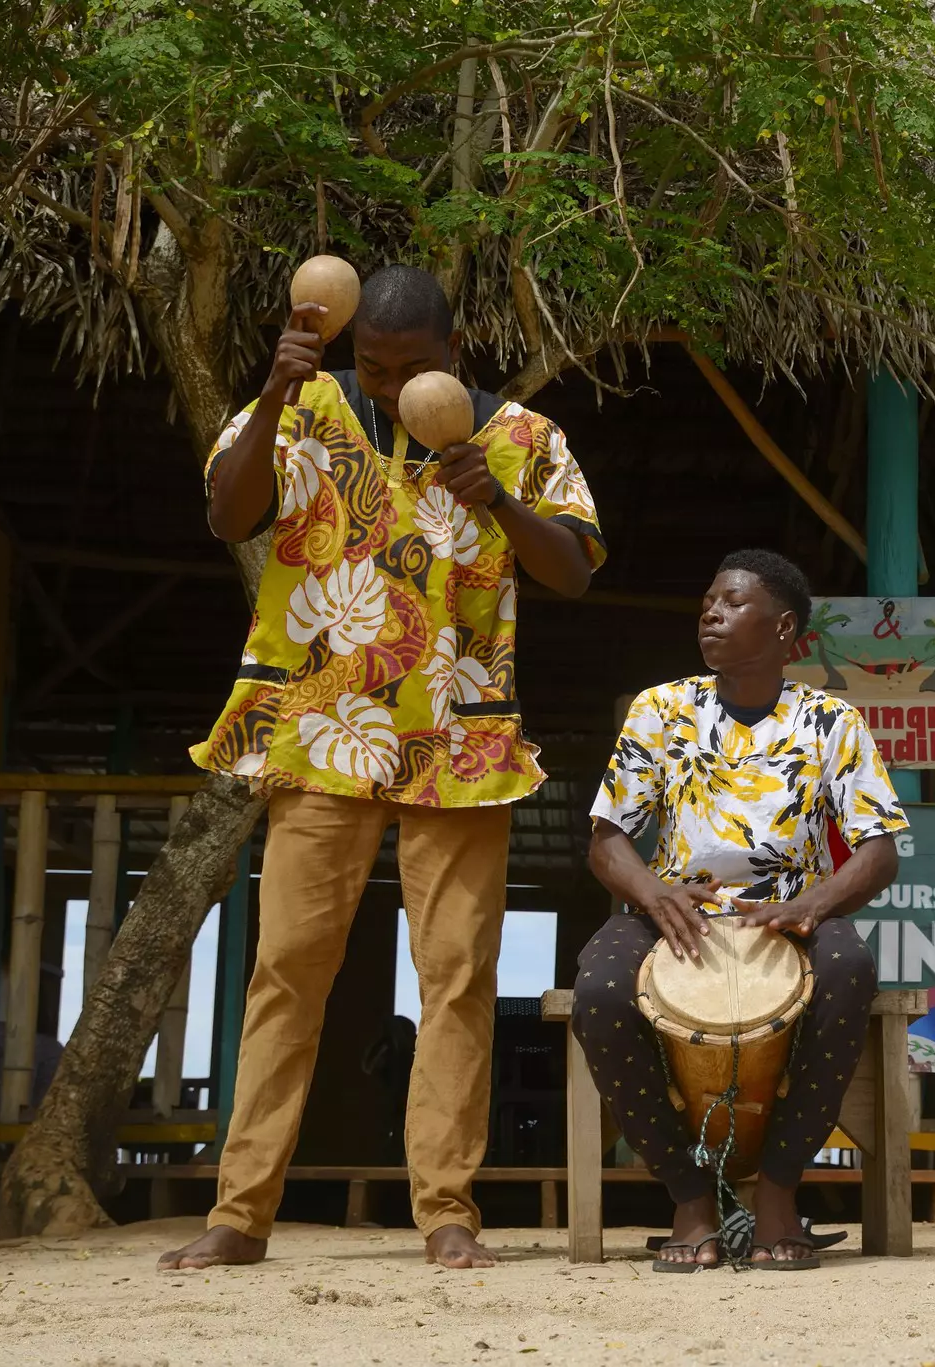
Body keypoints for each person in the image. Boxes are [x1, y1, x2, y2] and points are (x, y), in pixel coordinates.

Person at [159, 265, 604, 1272]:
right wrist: (275, 392)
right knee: (286, 971)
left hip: (462, 736)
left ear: (455, 352)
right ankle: (241, 1212)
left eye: (411, 368)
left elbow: (573, 568)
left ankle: (447, 1209)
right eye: (373, 364)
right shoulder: (306, 408)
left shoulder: (525, 440)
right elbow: (232, 516)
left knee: (457, 977)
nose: (390, 383)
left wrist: (497, 502)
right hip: (325, 726)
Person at [572, 549, 908, 1271]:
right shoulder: (660, 709)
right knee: (598, 991)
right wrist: (654, 892)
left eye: (729, 602)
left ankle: (778, 1191)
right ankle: (689, 1195)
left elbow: (880, 851)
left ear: (784, 627)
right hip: (672, 908)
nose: (710, 614)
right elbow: (607, 842)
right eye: (706, 604)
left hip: (792, 914)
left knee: (849, 967)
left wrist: (811, 904)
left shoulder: (831, 721)